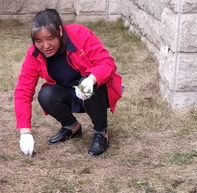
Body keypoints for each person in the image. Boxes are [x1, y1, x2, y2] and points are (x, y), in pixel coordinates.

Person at [14, 9, 123, 157]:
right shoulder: (34, 54)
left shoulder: (79, 33)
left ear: (59, 31)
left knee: (87, 86)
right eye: (39, 41)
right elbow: (23, 91)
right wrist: (25, 132)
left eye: (50, 38)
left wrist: (91, 80)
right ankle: (71, 127)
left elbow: (107, 63)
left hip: (95, 93)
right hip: (68, 93)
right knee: (46, 94)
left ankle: (101, 132)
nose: (45, 46)